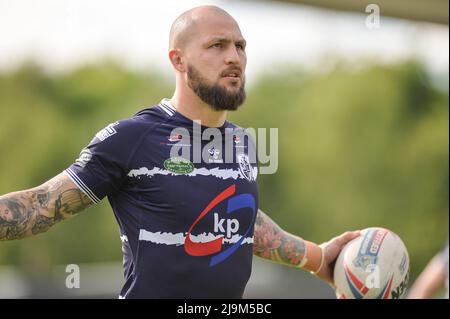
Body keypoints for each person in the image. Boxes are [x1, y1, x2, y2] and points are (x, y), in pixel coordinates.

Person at [0, 5, 359, 299]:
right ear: (178, 60)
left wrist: (318, 257)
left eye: (240, 46)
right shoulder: (132, 138)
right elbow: (41, 204)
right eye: (217, 46)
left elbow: (237, 219)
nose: (233, 57)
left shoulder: (242, 143)